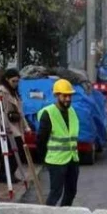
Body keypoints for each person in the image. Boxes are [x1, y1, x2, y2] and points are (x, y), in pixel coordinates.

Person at [36, 79, 81, 207]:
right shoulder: (48, 113)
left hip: (72, 158)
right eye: (64, 95)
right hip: (56, 161)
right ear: (56, 95)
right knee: (56, 193)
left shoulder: (72, 111)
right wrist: (43, 158)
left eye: (69, 95)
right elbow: (41, 140)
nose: (68, 99)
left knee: (71, 192)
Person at [0, 68, 31, 184]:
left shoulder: (15, 93)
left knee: (17, 152)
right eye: (13, 81)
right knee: (11, 153)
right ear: (7, 79)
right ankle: (5, 175)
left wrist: (27, 127)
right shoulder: (2, 92)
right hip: (7, 126)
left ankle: (10, 174)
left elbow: (20, 112)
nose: (16, 84)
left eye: (17, 81)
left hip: (16, 125)